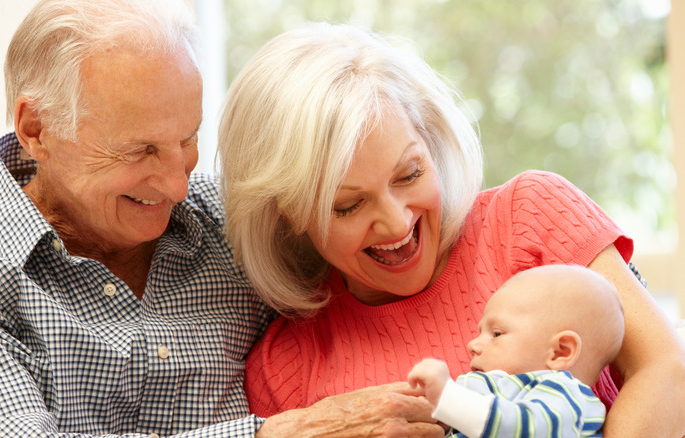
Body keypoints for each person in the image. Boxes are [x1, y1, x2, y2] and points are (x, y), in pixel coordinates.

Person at [0, 2, 439, 437]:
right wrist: (278, 435)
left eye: (187, 140)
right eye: (140, 151)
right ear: (37, 129)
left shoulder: (229, 224)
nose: (178, 185)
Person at [218, 22, 685, 437]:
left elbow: (665, 368)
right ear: (289, 215)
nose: (398, 221)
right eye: (348, 205)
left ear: (429, 138)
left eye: (409, 174)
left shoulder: (529, 216)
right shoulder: (285, 369)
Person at [408, 264, 625, 437]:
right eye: (480, 331)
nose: (472, 345)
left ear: (560, 352)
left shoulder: (567, 397)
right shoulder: (493, 387)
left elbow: (523, 428)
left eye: (496, 334)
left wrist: (448, 398)